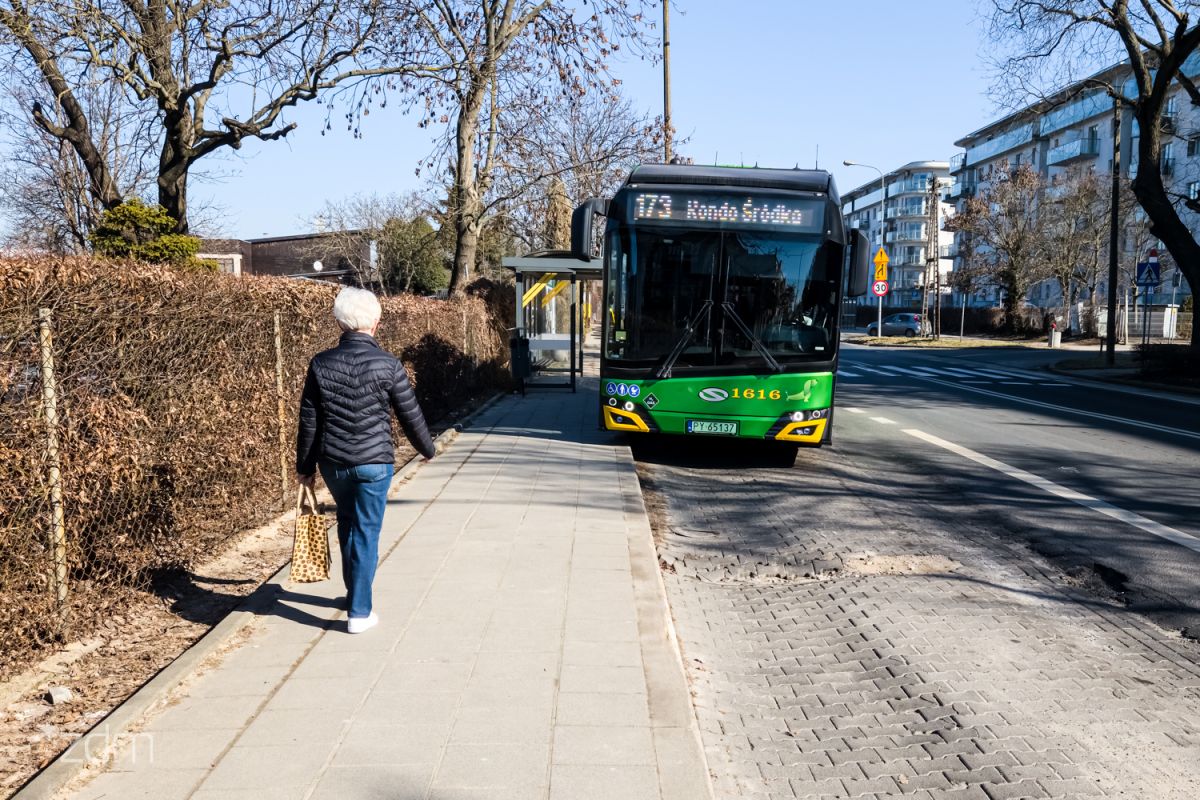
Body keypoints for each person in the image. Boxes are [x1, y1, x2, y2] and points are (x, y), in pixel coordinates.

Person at [295, 286, 436, 634]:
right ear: (375, 321)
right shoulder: (387, 363)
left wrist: (305, 467)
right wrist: (427, 449)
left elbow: (309, 419)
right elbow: (410, 413)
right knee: (366, 530)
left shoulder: (321, 363)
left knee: (347, 523)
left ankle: (352, 592)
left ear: (340, 322)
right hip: (374, 462)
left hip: (334, 462)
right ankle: (359, 611)